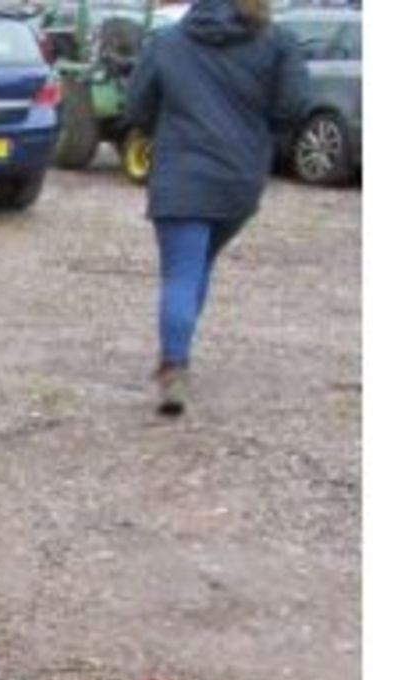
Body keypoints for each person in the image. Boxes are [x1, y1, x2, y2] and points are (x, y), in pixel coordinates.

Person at [124, 0, 305, 416]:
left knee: (183, 271)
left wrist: (165, 130)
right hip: (239, 179)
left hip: (180, 175)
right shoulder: (276, 42)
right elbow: (292, 106)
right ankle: (178, 353)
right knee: (198, 264)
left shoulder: (167, 43)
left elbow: (136, 107)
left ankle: (174, 366)